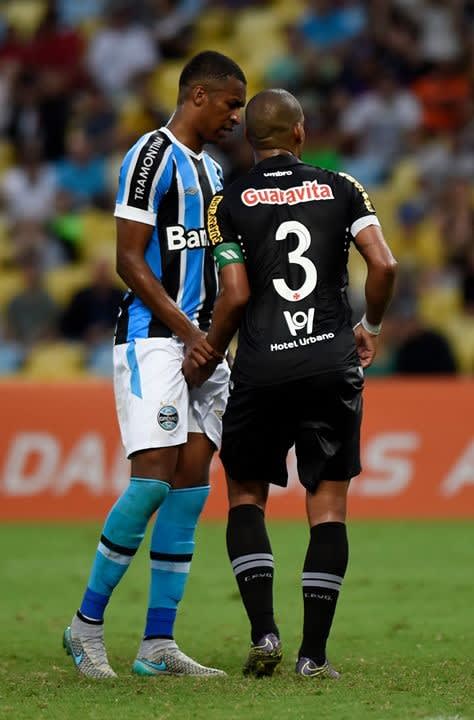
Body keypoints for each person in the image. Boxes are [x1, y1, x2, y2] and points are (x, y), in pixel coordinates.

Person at [183, 89, 397, 678]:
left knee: (247, 495)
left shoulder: (226, 200)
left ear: (251, 138)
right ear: (299, 133)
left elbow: (236, 294)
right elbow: (384, 265)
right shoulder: (343, 187)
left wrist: (211, 349)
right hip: (331, 361)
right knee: (327, 506)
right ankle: (313, 656)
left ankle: (265, 635)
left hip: (262, 365)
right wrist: (369, 326)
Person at [63, 51, 246, 679]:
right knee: (150, 480)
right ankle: (85, 626)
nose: (235, 116)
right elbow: (128, 259)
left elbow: (223, 264)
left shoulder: (216, 173)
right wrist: (189, 332)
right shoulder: (150, 155)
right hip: (154, 339)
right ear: (198, 95)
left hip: (204, 347)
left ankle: (156, 644)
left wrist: (216, 341)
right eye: (230, 103)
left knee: (191, 487)